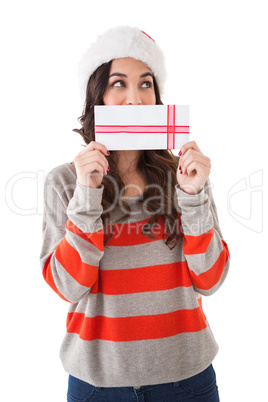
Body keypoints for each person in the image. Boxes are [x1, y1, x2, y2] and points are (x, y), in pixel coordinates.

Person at [40, 26, 230, 402]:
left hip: (186, 381)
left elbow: (210, 279)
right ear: (98, 96)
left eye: (146, 85)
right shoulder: (65, 182)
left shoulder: (184, 176)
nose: (134, 99)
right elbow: (68, 286)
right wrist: (87, 194)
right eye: (118, 84)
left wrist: (192, 196)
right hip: (97, 385)